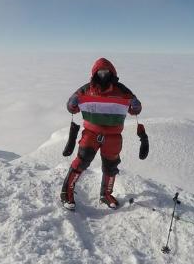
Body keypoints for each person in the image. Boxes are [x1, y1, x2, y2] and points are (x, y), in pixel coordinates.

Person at [60, 57, 142, 210]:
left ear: (112, 72)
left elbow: (134, 109)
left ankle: (106, 194)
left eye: (106, 71)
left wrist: (136, 106)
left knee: (111, 167)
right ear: (94, 73)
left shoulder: (122, 90)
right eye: (100, 71)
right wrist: (72, 103)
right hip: (91, 133)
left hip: (114, 136)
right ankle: (67, 192)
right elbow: (73, 107)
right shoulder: (86, 89)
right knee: (81, 161)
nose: (103, 74)